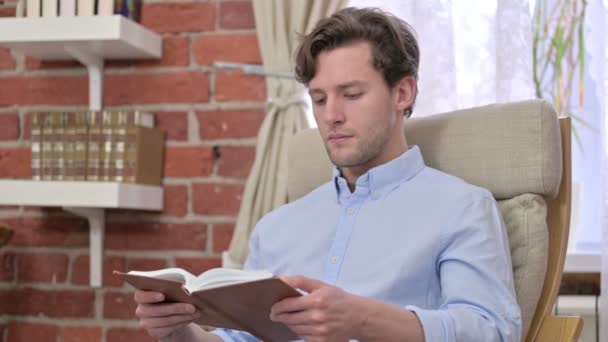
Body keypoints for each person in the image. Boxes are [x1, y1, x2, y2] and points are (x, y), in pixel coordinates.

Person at [133, 7, 522, 342]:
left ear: (402, 94)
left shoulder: (462, 208)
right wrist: (179, 331)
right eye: (319, 99)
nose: (330, 115)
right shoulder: (276, 228)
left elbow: (493, 331)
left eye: (351, 95)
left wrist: (361, 320)